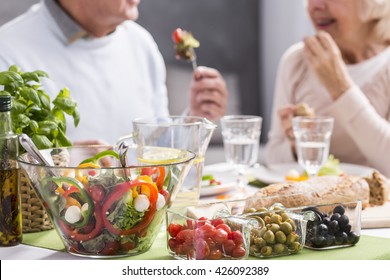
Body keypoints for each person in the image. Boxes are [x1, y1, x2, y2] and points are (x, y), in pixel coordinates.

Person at [0, 0, 228, 145]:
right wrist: (61, 164)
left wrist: (193, 119)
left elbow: (155, 151)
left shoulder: (141, 43)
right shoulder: (7, 51)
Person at [264, 0, 390, 177]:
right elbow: (274, 159)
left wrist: (340, 88)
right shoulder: (296, 61)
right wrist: (297, 144)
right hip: (313, 202)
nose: (314, 6)